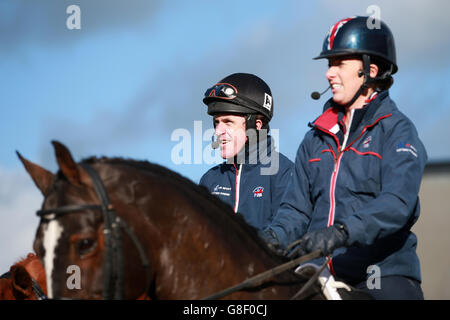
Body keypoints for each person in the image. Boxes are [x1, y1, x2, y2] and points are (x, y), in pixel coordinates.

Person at [261, 16, 427, 299]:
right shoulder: (315, 137)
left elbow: (397, 204)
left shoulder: (398, 131)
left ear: (370, 71)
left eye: (339, 63)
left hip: (383, 276)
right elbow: (296, 210)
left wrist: (341, 232)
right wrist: (269, 239)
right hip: (317, 273)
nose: (329, 73)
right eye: (329, 64)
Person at [199, 73, 293, 231]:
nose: (218, 131)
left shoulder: (285, 174)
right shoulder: (210, 180)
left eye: (228, 122)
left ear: (256, 125)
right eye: (216, 123)